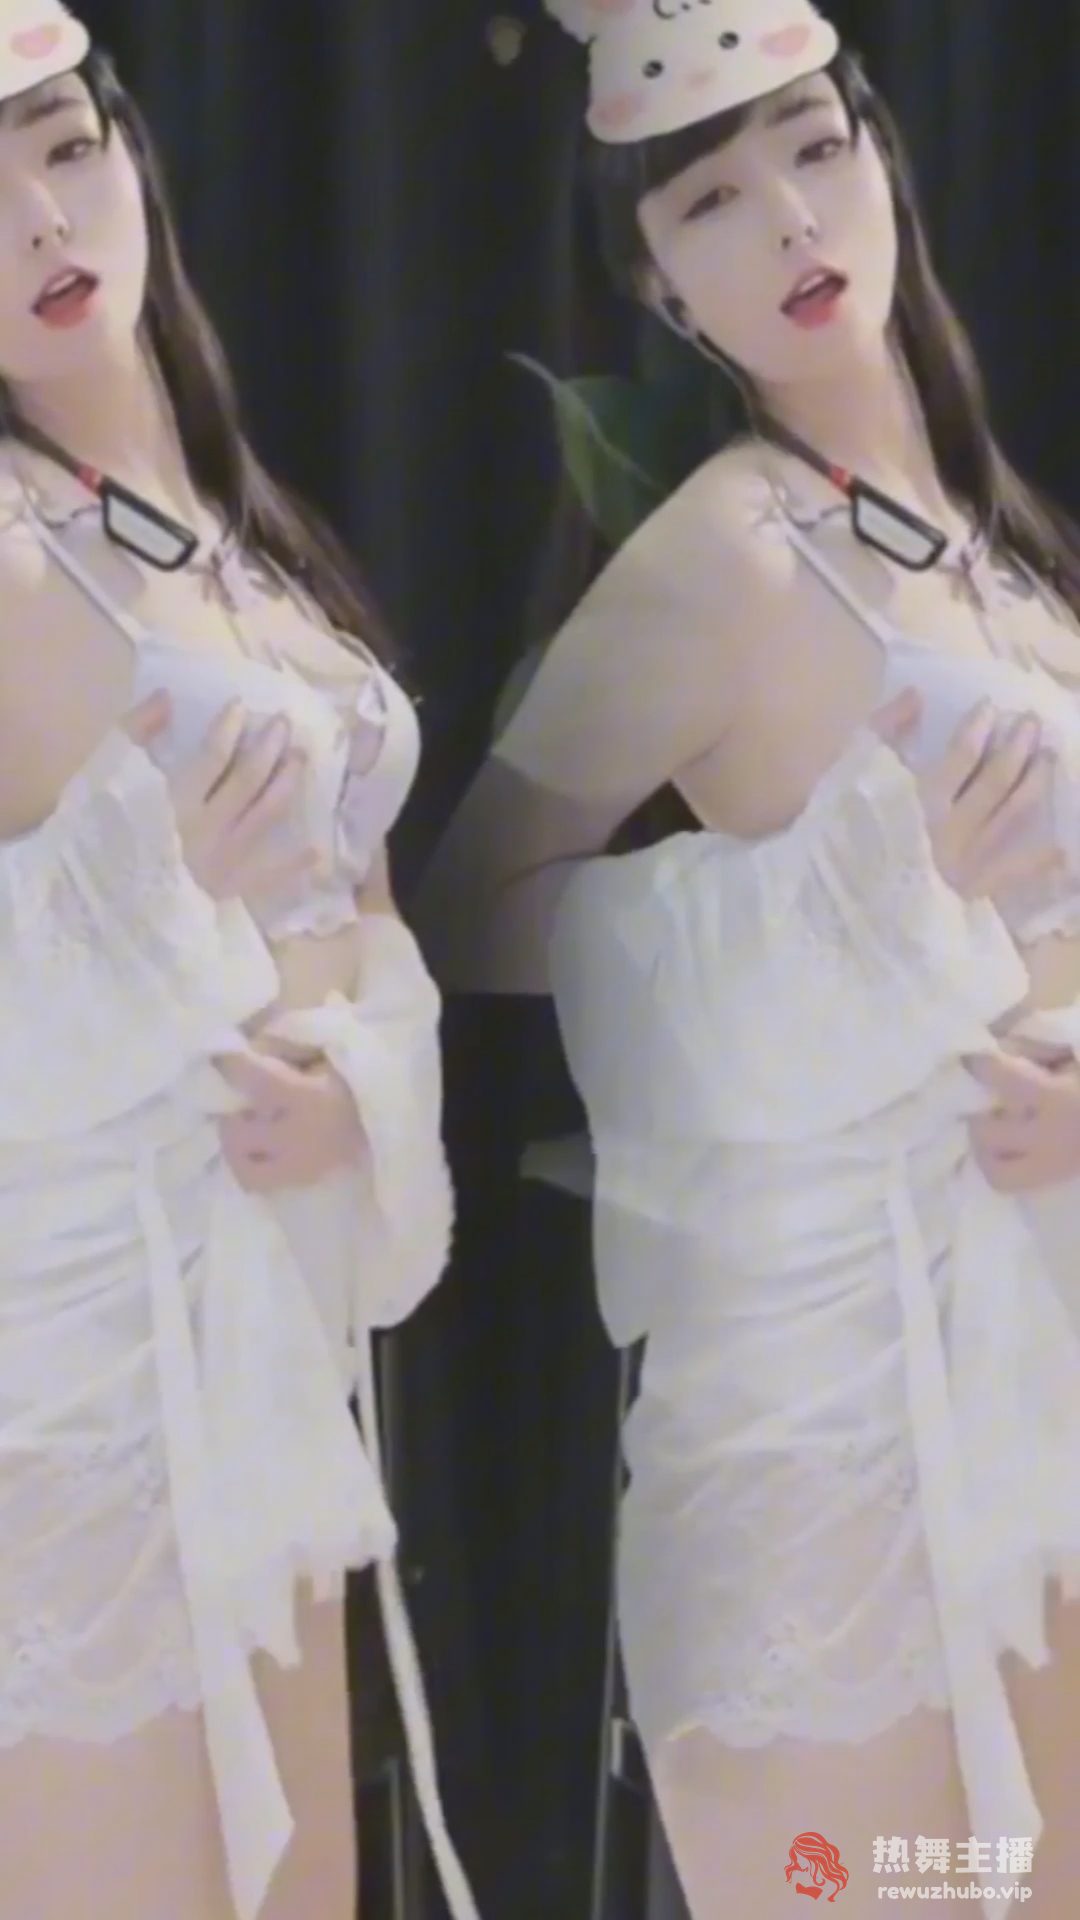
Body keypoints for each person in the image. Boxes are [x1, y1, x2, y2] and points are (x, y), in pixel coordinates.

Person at [415, 2, 1080, 1914]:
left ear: (881, 157)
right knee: (866, 1883)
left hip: (1029, 1359)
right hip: (832, 1399)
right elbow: (467, 907)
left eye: (811, 148)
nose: (787, 218)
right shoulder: (730, 554)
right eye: (708, 198)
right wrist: (836, 912)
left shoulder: (990, 550)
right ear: (660, 285)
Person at [0, 7, 480, 1919]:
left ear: (131, 147)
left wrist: (361, 1087)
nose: (40, 219)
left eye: (62, 145)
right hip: (74, 1353)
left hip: (254, 1334)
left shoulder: (233, 538)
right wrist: (148, 888)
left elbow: (366, 918)